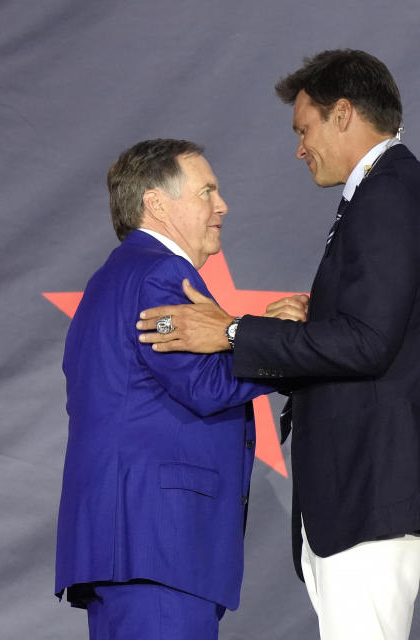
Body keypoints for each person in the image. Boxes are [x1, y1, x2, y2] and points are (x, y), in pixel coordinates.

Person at [136, 51, 420, 640]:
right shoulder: (384, 193)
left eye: (305, 129)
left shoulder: (391, 195)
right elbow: (371, 332)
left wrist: (232, 331)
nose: (300, 148)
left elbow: (368, 343)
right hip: (365, 489)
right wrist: (312, 320)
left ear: (343, 113)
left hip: (375, 485)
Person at [54, 139, 302, 640]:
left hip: (129, 547)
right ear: (156, 203)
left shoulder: (112, 277)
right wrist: (277, 341)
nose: (222, 204)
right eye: (207, 191)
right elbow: (204, 384)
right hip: (159, 545)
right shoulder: (160, 273)